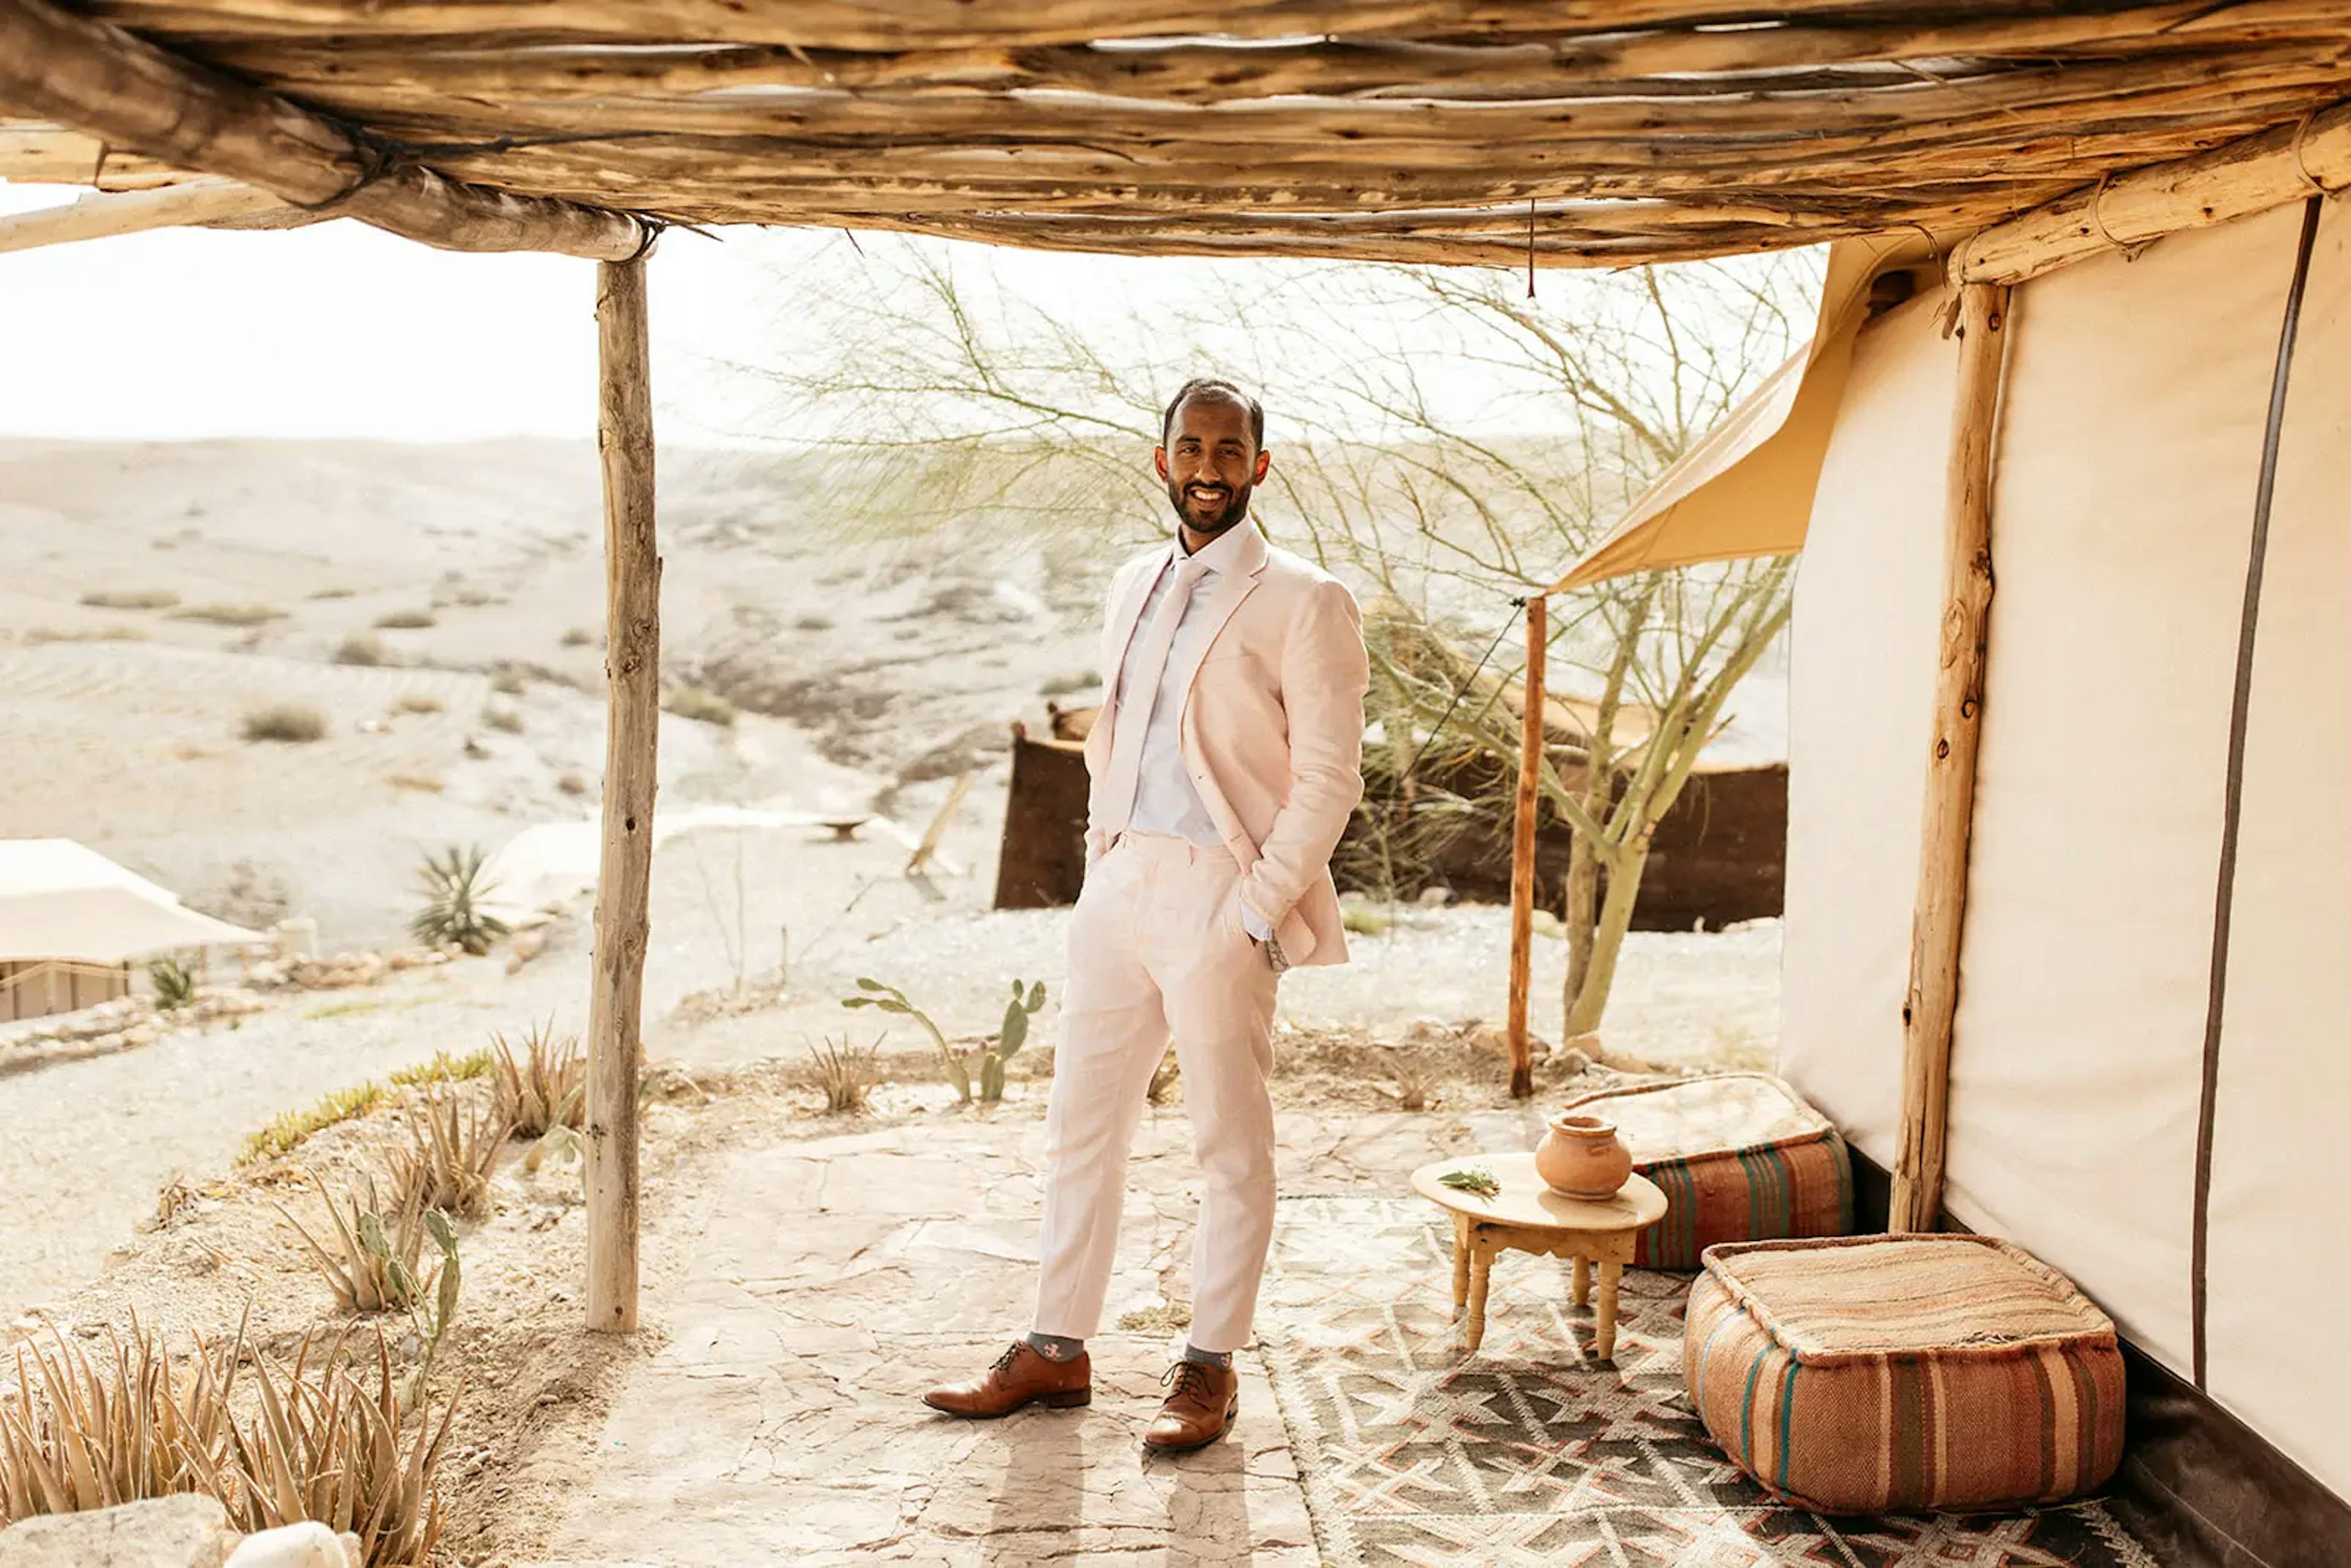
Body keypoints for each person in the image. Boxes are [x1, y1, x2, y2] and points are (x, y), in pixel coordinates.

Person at [923, 377, 1370, 1452]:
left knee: (1229, 1143)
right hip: (1119, 889)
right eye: (1190, 447)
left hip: (1225, 888)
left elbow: (1330, 778)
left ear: (1261, 466)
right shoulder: (1134, 579)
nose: (1208, 467)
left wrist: (1258, 911)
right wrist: (1100, 862)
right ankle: (1055, 1348)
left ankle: (1209, 1366)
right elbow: (1114, 733)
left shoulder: (1306, 599)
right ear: (1161, 459)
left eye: (1230, 449)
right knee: (1082, 1126)